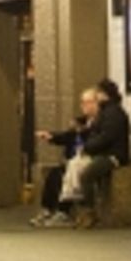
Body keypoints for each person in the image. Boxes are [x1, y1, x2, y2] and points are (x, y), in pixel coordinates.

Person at [72, 77, 131, 227]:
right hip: (105, 153)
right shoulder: (107, 112)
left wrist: (88, 147)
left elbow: (106, 137)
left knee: (86, 175)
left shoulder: (113, 113)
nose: (96, 96)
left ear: (105, 94)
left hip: (113, 155)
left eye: (98, 92)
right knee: (83, 170)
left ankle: (89, 212)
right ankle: (87, 210)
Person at [31, 88, 94, 225]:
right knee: (53, 174)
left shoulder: (97, 123)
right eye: (82, 102)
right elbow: (65, 136)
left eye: (87, 102)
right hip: (73, 159)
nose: (83, 106)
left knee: (65, 175)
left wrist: (82, 132)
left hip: (86, 158)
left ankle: (63, 211)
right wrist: (50, 136)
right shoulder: (81, 122)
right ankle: (47, 209)